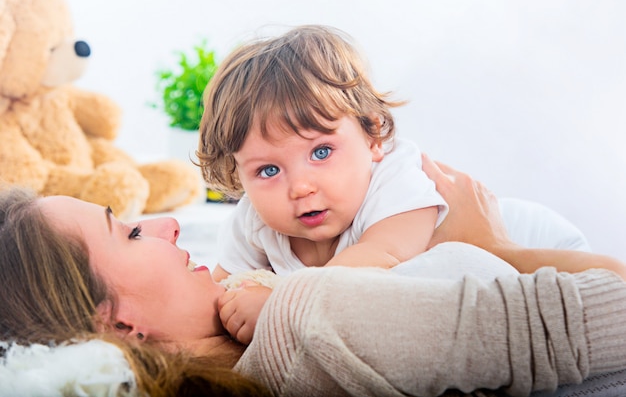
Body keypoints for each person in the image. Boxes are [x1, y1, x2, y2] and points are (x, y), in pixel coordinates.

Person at [2, 162, 626, 396]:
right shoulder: (308, 319)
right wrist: (494, 247)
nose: (167, 224)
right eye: (129, 233)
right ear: (113, 325)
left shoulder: (264, 340)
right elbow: (599, 317)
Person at [197, 24, 448, 284]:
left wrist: (273, 304)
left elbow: (381, 257)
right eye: (269, 170)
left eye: (321, 152)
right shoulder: (254, 223)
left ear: (372, 137)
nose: (301, 188)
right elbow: (219, 294)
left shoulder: (396, 182)